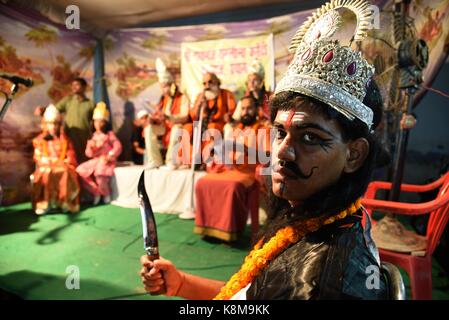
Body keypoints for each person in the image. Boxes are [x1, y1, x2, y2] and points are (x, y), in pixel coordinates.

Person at [140, 0, 388, 299]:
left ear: (354, 154)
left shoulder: (319, 283)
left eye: (309, 138)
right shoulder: (311, 216)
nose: (282, 152)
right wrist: (180, 283)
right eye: (280, 132)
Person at [193, 96, 270, 238]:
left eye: (249, 108)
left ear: (257, 110)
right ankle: (209, 228)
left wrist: (245, 149)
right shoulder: (236, 130)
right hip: (230, 169)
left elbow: (267, 157)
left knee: (233, 187)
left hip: (249, 172)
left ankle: (231, 232)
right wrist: (215, 149)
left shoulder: (264, 129)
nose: (246, 112)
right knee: (202, 182)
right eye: (243, 108)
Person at [31, 104, 80, 215]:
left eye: (55, 124)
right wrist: (44, 160)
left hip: (62, 165)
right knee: (47, 171)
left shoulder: (65, 140)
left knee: (66, 171)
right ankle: (44, 204)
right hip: (46, 165)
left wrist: (65, 161)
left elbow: (70, 154)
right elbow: (37, 155)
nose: (53, 127)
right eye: (50, 124)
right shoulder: (39, 140)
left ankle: (65, 203)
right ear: (46, 125)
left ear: (59, 126)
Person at [143, 58, 190, 169]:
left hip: (177, 126)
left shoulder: (182, 97)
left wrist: (169, 117)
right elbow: (159, 115)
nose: (164, 88)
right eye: (162, 86)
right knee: (148, 128)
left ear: (172, 85)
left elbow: (185, 117)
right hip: (165, 127)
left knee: (176, 128)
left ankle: (171, 160)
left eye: (166, 85)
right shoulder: (164, 99)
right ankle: (155, 160)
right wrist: (154, 120)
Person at [35, 77, 94, 164]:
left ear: (84, 87)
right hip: (70, 136)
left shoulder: (90, 104)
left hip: (84, 137)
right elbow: (54, 109)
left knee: (83, 160)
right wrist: (43, 110)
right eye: (72, 85)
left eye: (77, 85)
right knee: (72, 159)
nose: (74, 87)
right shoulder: (68, 100)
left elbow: (96, 122)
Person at [76, 102, 122, 205]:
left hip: (106, 160)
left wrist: (110, 155)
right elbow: (88, 154)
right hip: (96, 160)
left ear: (105, 123)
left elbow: (117, 146)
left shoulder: (109, 135)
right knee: (80, 171)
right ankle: (96, 192)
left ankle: (106, 193)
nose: (98, 124)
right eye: (96, 122)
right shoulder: (93, 136)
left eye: (101, 122)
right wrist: (91, 148)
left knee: (100, 173)